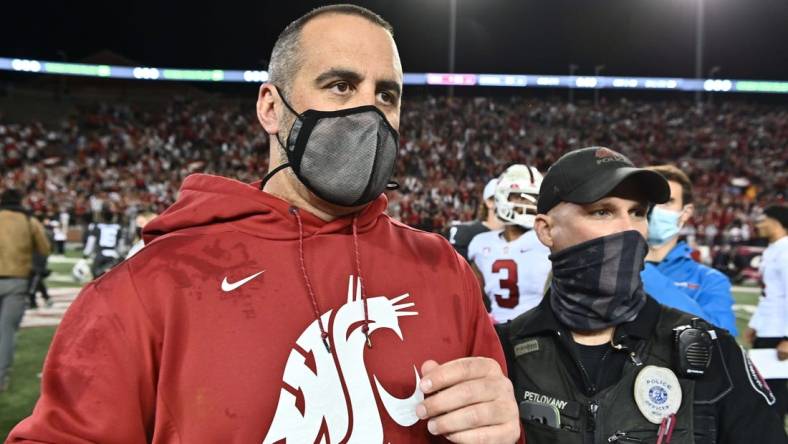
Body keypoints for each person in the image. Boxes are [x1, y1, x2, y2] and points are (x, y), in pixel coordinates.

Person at [8, 5, 519, 443]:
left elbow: (494, 427)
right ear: (271, 107)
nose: (368, 110)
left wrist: (501, 424)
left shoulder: (443, 272)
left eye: (387, 94)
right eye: (340, 85)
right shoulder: (153, 283)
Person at [496, 147, 787, 443]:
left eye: (637, 212)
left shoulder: (712, 352)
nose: (628, 229)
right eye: (602, 211)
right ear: (546, 230)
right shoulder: (501, 352)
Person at [641, 164, 736, 334]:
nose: (654, 210)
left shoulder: (710, 280)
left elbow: (722, 340)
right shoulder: (606, 269)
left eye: (666, 201)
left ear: (685, 212)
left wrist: (637, 267)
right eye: (648, 201)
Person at [468, 165, 551, 323]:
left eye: (533, 198)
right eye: (518, 196)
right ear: (501, 197)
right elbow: (475, 300)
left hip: (540, 329)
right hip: (497, 331)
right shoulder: (480, 244)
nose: (526, 203)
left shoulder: (548, 239)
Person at [0, 189, 50, 392]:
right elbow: (45, 248)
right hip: (17, 280)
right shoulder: (28, 220)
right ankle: (1, 377)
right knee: (6, 331)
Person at [746, 204, 788, 419]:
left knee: (776, 396)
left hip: (780, 333)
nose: (758, 224)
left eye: (763, 220)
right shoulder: (772, 250)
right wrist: (755, 323)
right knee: (763, 392)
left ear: (777, 222)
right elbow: (768, 294)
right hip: (767, 329)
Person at [445, 178, 504, 261]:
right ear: (490, 202)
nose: (514, 202)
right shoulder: (466, 233)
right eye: (507, 197)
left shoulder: (521, 236)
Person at [82, 205, 123, 278]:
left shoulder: (97, 227)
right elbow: (121, 245)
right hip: (114, 256)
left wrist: (86, 254)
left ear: (102, 217)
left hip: (100, 255)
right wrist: (120, 255)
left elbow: (91, 242)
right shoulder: (118, 227)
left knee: (96, 278)